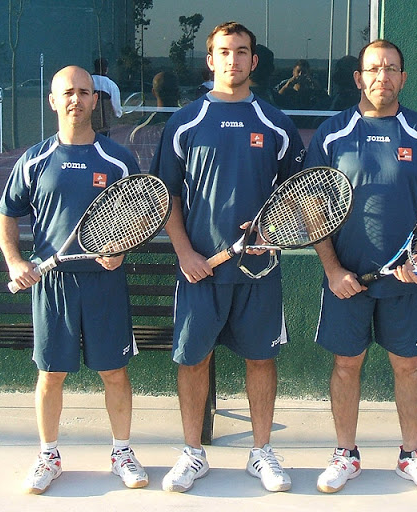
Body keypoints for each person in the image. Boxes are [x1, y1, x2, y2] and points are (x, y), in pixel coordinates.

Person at [150, 21, 305, 494]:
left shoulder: (276, 123)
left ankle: (261, 453)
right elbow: (165, 196)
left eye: (242, 52)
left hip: (260, 270)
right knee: (192, 361)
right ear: (210, 59)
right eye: (224, 51)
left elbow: (302, 196)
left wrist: (276, 231)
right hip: (200, 274)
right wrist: (185, 254)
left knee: (261, 361)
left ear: (254, 62)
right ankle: (193, 454)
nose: (233, 60)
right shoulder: (185, 122)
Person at [303, 39, 417, 494]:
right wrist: (331, 269)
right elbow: (310, 206)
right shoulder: (331, 134)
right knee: (347, 365)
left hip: (405, 280)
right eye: (373, 68)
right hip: (346, 278)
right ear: (358, 78)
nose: (381, 76)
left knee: (408, 366)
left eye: (390, 68)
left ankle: (411, 456)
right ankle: (345, 455)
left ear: (403, 78)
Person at [0, 65, 148, 495]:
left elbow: (142, 211)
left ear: (95, 100)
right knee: (51, 374)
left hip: (104, 285)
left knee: (114, 372)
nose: (76, 100)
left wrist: (122, 247)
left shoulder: (119, 160)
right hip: (52, 288)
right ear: (53, 101)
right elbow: (6, 214)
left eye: (84, 92)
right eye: (68, 93)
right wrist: (14, 261)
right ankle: (48, 456)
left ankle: (122, 452)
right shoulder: (35, 159)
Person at [91, 57, 123, 136]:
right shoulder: (111, 85)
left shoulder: (86, 81)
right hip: (103, 127)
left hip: (87, 125)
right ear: (106, 69)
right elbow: (116, 108)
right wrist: (119, 113)